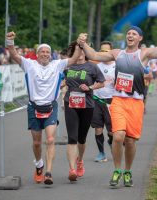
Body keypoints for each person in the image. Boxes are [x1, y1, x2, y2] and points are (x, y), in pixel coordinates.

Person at [77, 12, 157, 187]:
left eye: (134, 34)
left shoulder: (144, 54)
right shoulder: (117, 53)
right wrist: (83, 44)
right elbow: (95, 56)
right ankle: (117, 170)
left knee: (130, 141)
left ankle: (128, 171)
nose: (130, 35)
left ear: (140, 38)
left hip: (136, 102)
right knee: (118, 136)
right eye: (128, 33)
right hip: (119, 100)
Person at [5, 31, 81, 185]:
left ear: (50, 54)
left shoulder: (57, 64)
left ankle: (48, 172)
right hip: (34, 107)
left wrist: (80, 44)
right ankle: (39, 164)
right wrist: (9, 41)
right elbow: (14, 55)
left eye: (47, 52)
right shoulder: (29, 64)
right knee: (37, 143)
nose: (45, 54)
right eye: (42, 52)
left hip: (51, 106)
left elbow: (73, 59)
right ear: (37, 54)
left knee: (51, 139)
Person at [63, 41, 105, 182]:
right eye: (76, 50)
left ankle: (79, 160)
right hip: (71, 103)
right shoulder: (68, 65)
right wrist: (62, 88)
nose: (79, 53)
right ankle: (72, 169)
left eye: (81, 50)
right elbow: (62, 81)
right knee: (72, 137)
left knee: (81, 138)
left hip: (87, 104)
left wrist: (90, 87)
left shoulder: (92, 67)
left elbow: (102, 82)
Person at [91, 41, 116, 162]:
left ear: (111, 52)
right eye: (101, 51)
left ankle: (111, 141)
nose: (103, 53)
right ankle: (101, 153)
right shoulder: (96, 66)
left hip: (111, 101)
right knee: (98, 128)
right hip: (96, 100)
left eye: (106, 51)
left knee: (111, 131)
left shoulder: (117, 66)